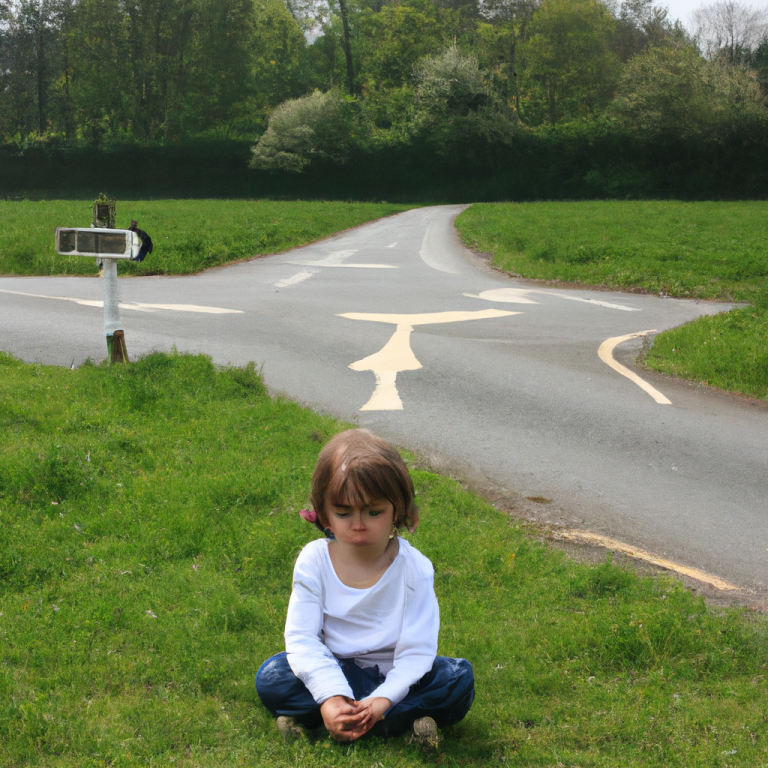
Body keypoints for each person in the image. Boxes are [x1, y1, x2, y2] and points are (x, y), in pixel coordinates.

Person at [256, 429, 474, 746]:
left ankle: (341, 718)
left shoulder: (415, 569)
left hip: (396, 677)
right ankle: (380, 720)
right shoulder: (313, 560)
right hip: (335, 667)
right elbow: (302, 639)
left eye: (374, 512)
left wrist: (383, 698)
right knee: (272, 676)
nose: (359, 524)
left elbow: (417, 653)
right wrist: (331, 694)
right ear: (325, 514)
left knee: (457, 680)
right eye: (344, 513)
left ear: (397, 510)